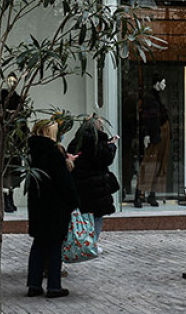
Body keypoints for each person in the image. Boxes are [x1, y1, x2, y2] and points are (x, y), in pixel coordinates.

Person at [25, 119, 78, 299]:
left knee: (39, 244)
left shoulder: (31, 152)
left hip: (38, 205)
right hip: (55, 205)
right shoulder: (53, 153)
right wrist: (74, 201)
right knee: (55, 244)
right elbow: (64, 182)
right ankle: (54, 286)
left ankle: (34, 284)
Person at [67, 116, 117, 249]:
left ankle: (84, 241)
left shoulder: (76, 141)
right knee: (97, 216)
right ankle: (91, 243)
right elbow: (106, 158)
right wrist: (112, 146)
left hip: (81, 185)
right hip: (96, 186)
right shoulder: (97, 142)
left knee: (84, 216)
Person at [135, 78, 169, 207]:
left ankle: (151, 195)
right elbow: (149, 119)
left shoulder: (155, 99)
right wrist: (147, 135)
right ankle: (140, 194)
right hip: (155, 135)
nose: (165, 85)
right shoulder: (151, 99)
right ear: (157, 83)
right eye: (163, 82)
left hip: (159, 135)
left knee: (157, 165)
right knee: (149, 165)